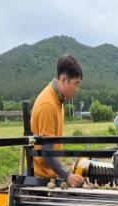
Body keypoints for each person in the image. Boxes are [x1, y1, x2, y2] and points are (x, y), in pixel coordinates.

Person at [30, 54, 84, 187]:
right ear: (64, 79)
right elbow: (47, 153)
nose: (77, 90)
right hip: (42, 181)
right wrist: (67, 176)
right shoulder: (48, 104)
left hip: (52, 175)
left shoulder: (59, 100)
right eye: (75, 84)